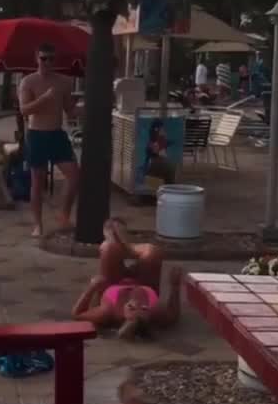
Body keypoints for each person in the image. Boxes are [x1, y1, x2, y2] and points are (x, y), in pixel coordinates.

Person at [71, 219, 181, 338]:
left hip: (113, 283)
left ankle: (118, 242)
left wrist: (91, 287)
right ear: (149, 314)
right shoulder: (155, 311)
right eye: (144, 308)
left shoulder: (108, 312)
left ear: (123, 316)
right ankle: (129, 248)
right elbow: (173, 314)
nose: (136, 303)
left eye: (131, 308)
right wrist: (175, 286)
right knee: (152, 253)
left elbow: (77, 315)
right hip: (145, 283)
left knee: (110, 248)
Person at [18, 42, 81, 237]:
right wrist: (44, 98)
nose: (47, 62)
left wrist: (81, 107)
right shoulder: (28, 82)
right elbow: (25, 110)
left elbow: (69, 111)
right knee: (37, 182)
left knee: (74, 175)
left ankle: (64, 215)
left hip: (56, 134)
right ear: (36, 58)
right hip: (37, 134)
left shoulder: (63, 82)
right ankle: (38, 225)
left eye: (51, 59)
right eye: (43, 58)